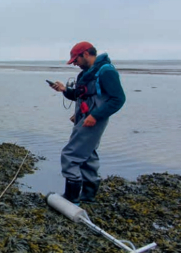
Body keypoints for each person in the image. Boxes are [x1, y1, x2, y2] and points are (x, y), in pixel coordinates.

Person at [49, 41, 126, 205]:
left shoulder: (106, 72)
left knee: (70, 155)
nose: (75, 64)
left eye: (76, 60)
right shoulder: (86, 73)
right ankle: (88, 196)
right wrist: (64, 90)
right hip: (83, 118)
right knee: (88, 155)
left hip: (93, 121)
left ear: (85, 54)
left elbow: (118, 99)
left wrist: (95, 116)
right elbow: (80, 95)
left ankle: (72, 198)